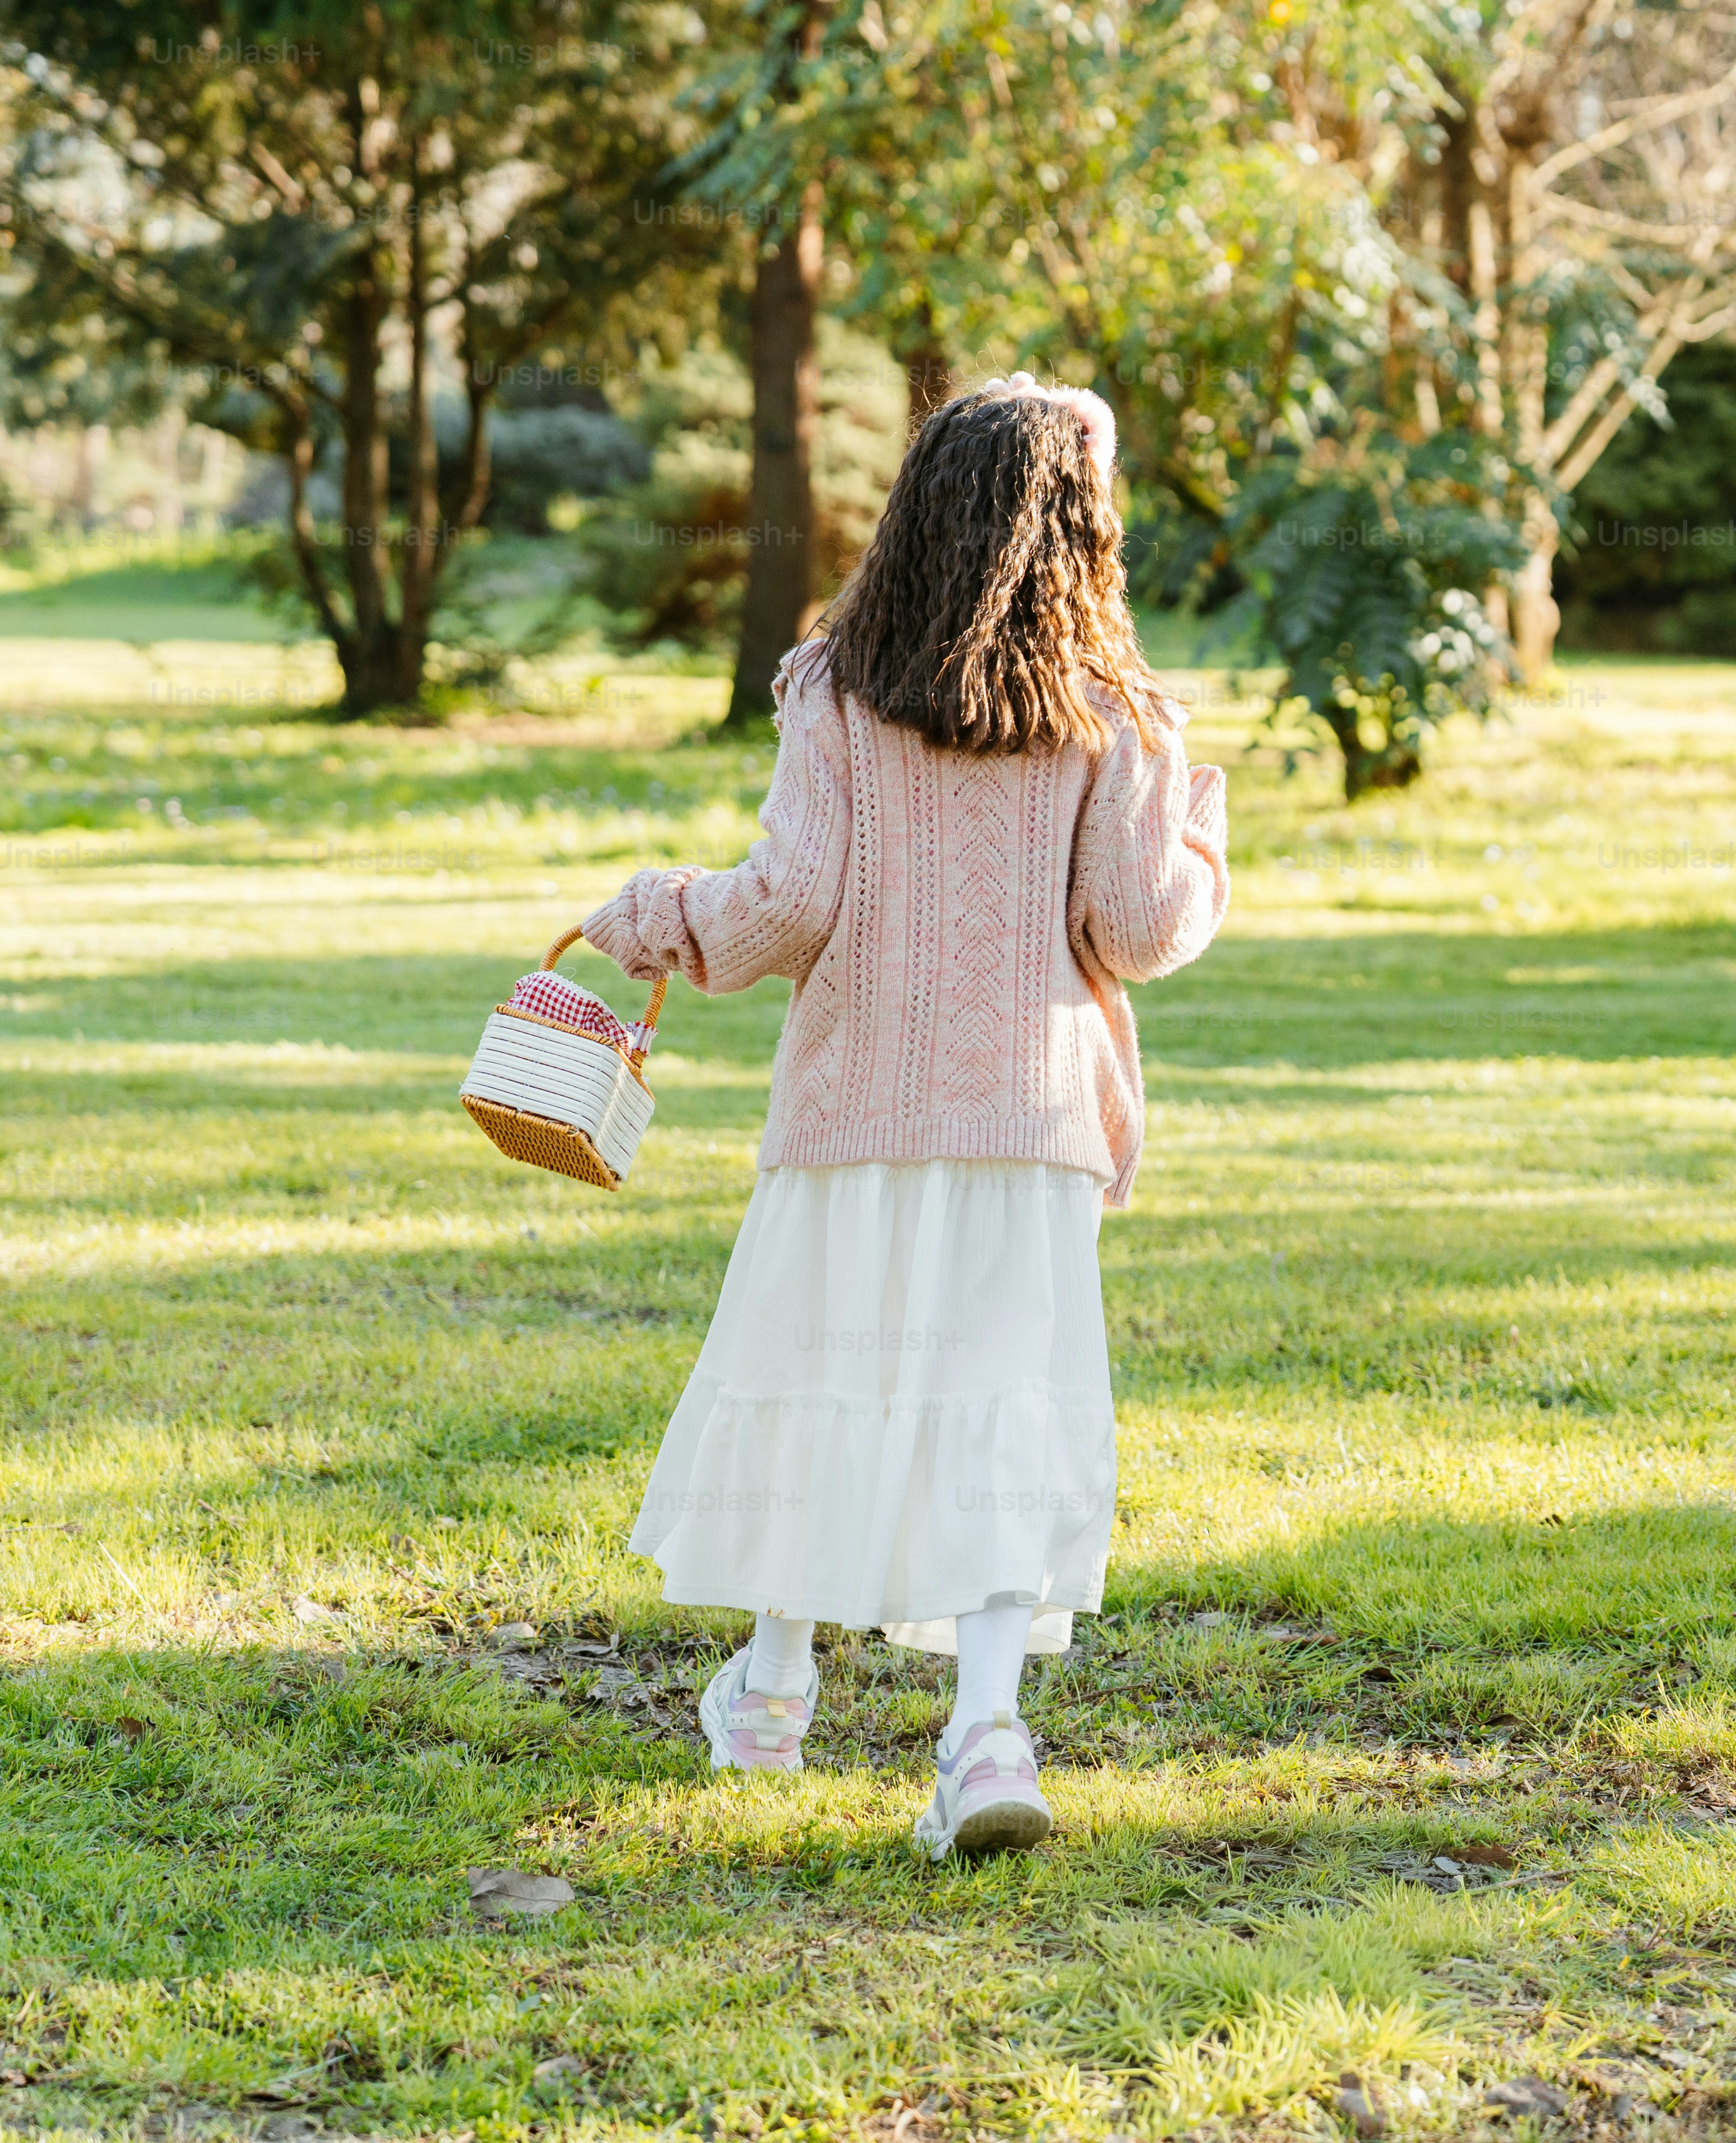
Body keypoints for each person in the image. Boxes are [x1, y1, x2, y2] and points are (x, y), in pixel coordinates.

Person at [575, 374, 1228, 1858]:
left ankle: (772, 1694)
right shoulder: (1119, 709)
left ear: (922, 504)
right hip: (1027, 1130)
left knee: (823, 1383)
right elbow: (1138, 928)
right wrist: (1199, 828)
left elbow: (788, 903)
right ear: (1082, 529)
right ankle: (985, 1739)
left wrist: (661, 910)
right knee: (1004, 1412)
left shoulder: (836, 689)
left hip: (852, 1120)